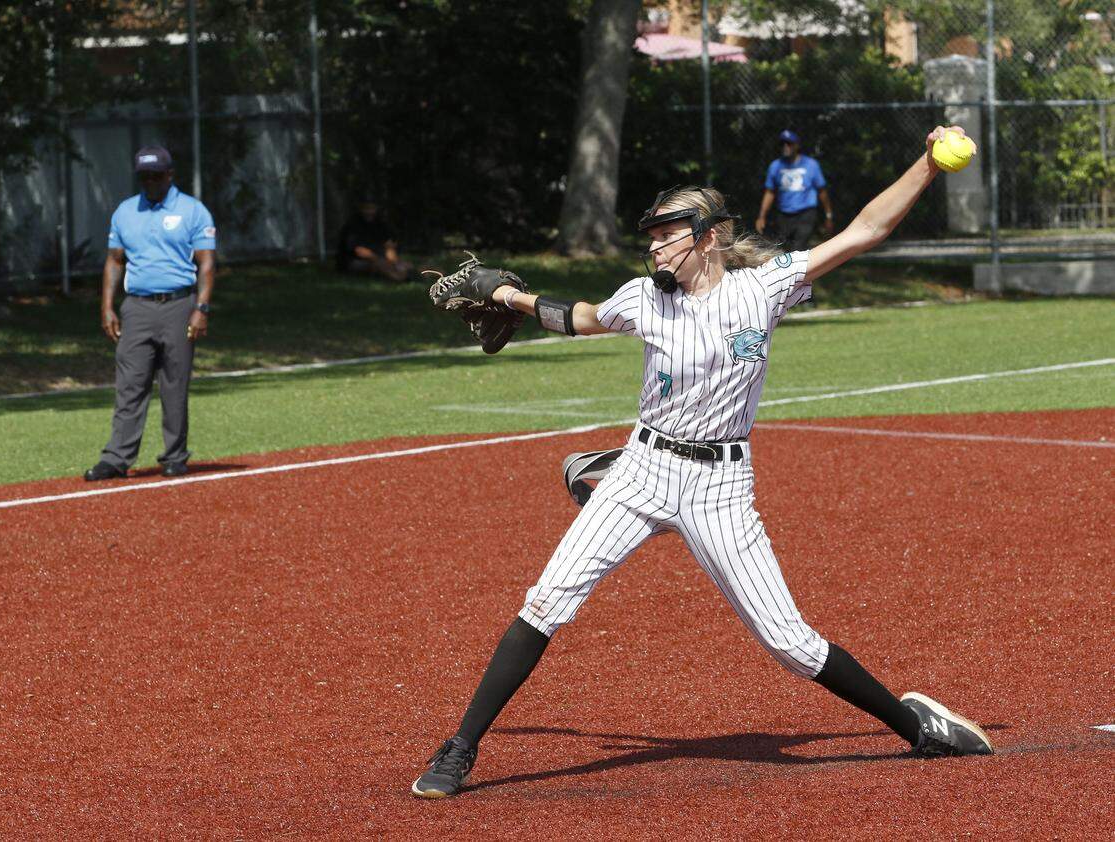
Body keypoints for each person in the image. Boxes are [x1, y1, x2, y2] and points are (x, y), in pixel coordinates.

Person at [410, 125, 991, 800]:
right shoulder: (643, 297)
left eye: (668, 232)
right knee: (547, 601)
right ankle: (460, 748)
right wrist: (508, 296)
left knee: (790, 644)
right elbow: (579, 317)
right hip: (644, 472)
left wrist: (925, 164)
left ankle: (918, 727)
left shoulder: (762, 289)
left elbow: (863, 230)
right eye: (651, 234)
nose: (655, 243)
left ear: (707, 236)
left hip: (720, 486)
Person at [83, 146, 216, 482]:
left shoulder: (192, 211)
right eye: (144, 176)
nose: (150, 182)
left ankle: (174, 456)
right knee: (130, 384)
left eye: (156, 176)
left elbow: (206, 263)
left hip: (178, 305)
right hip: (137, 307)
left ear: (170, 175)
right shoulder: (125, 212)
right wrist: (107, 306)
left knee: (174, 383)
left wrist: (201, 308)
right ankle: (116, 458)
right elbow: (114, 260)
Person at [755, 129, 834, 251]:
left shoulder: (811, 165)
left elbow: (822, 191)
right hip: (784, 214)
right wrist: (762, 216)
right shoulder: (775, 166)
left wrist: (828, 215)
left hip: (806, 213)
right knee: (783, 249)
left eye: (789, 143)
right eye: (782, 144)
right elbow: (770, 192)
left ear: (797, 145)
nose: (786, 147)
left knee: (799, 247)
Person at [335, 200, 412, 282]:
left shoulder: (381, 225)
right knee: (380, 265)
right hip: (353, 260)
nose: (369, 212)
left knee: (405, 265)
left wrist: (395, 262)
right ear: (360, 209)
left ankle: (412, 276)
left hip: (379, 258)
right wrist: (379, 260)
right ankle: (399, 279)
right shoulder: (352, 225)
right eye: (366, 208)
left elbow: (389, 246)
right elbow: (359, 250)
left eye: (372, 208)